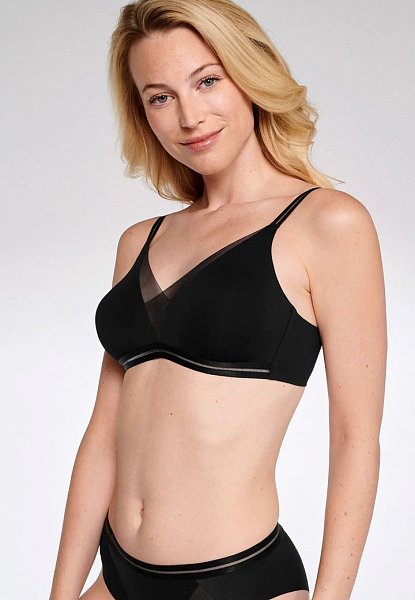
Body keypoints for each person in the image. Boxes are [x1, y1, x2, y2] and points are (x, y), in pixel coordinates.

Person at [49, 1, 387, 599]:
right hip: (118, 577)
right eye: (160, 97)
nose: (190, 116)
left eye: (207, 81)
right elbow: (103, 435)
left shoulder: (327, 225)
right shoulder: (139, 242)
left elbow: (354, 438)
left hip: (237, 580)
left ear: (249, 75)